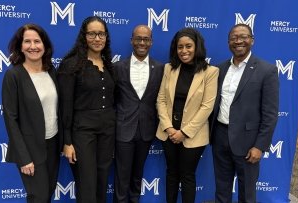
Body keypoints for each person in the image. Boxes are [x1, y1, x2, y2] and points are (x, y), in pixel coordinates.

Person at [210, 23, 279, 203]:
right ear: (228, 42)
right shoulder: (219, 69)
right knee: (221, 189)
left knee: (247, 193)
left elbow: (270, 114)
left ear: (252, 40)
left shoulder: (266, 70)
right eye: (233, 38)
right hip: (220, 136)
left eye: (243, 37)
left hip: (248, 143)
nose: (238, 41)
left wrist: (260, 146)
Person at [156, 28, 219, 203]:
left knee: (187, 176)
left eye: (188, 46)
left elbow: (207, 106)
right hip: (168, 132)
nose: (184, 51)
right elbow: (161, 99)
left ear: (197, 46)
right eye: (180, 47)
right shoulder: (169, 68)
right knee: (171, 173)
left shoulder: (210, 72)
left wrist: (183, 133)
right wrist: (169, 128)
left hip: (193, 135)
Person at [57, 16, 115, 203]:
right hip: (82, 134)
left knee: (102, 181)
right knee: (87, 185)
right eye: (92, 34)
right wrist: (67, 142)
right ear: (84, 36)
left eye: (101, 34)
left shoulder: (108, 64)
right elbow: (65, 105)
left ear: (106, 37)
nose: (97, 38)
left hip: (107, 133)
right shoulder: (71, 65)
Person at [2, 23, 60, 202]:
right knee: (38, 197)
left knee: (48, 191)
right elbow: (11, 119)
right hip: (29, 149)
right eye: (27, 41)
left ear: (45, 45)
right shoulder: (14, 76)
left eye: (37, 41)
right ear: (20, 46)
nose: (33, 46)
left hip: (53, 143)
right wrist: (24, 157)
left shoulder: (51, 71)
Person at [113, 25, 164, 203]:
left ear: (151, 42)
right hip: (123, 129)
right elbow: (113, 99)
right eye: (138, 38)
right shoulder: (118, 67)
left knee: (137, 175)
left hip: (146, 130)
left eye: (146, 39)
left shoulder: (160, 68)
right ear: (132, 40)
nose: (142, 42)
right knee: (122, 176)